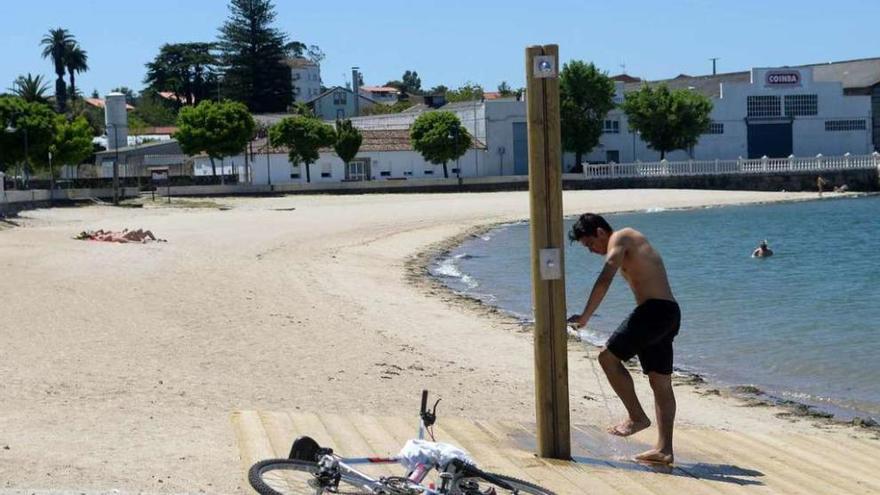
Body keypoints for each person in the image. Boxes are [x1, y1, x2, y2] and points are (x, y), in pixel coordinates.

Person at [567, 213, 680, 465]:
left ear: (599, 232)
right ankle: (664, 449)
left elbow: (606, 276)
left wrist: (585, 316)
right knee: (660, 382)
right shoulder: (628, 241)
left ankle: (637, 417)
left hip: (655, 311)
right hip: (668, 312)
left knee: (607, 358)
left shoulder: (622, 237)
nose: (592, 250)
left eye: (589, 244)